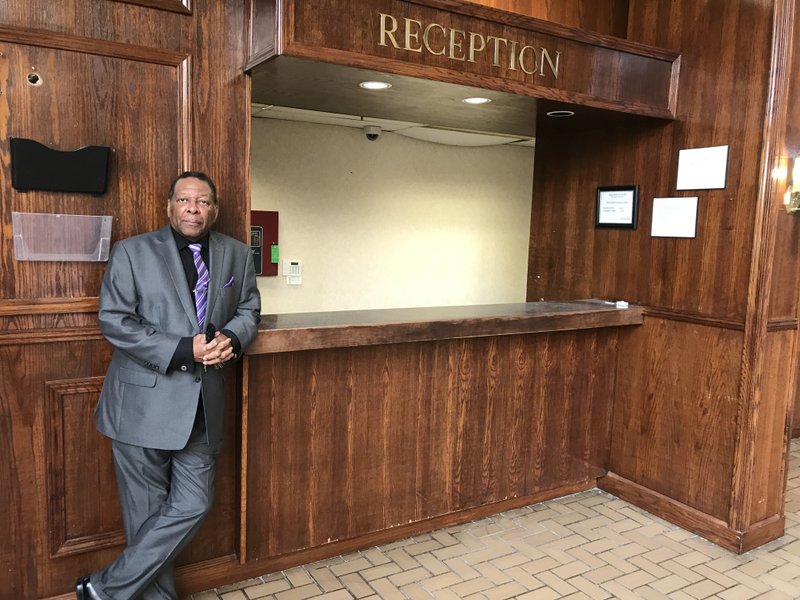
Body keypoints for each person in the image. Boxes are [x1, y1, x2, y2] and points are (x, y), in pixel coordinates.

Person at [76, 171, 261, 600]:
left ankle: (103, 589)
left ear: (214, 208)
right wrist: (183, 349)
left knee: (194, 504)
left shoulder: (236, 254)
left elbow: (250, 307)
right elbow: (115, 320)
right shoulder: (132, 252)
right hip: (141, 408)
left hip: (203, 410)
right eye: (184, 200)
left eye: (202, 202)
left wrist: (232, 339)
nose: (193, 208)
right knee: (146, 517)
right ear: (169, 206)